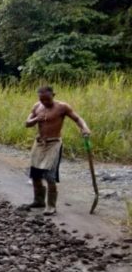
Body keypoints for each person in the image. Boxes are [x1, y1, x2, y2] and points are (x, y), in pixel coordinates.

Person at [24, 86, 91, 215]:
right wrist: (35, 119)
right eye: (42, 99)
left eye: (47, 99)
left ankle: (51, 205)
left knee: (50, 175)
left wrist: (84, 128)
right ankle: (39, 201)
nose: (44, 102)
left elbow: (77, 118)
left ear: (53, 95)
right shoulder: (37, 106)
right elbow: (27, 123)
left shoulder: (62, 107)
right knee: (35, 174)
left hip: (54, 143)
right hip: (39, 143)